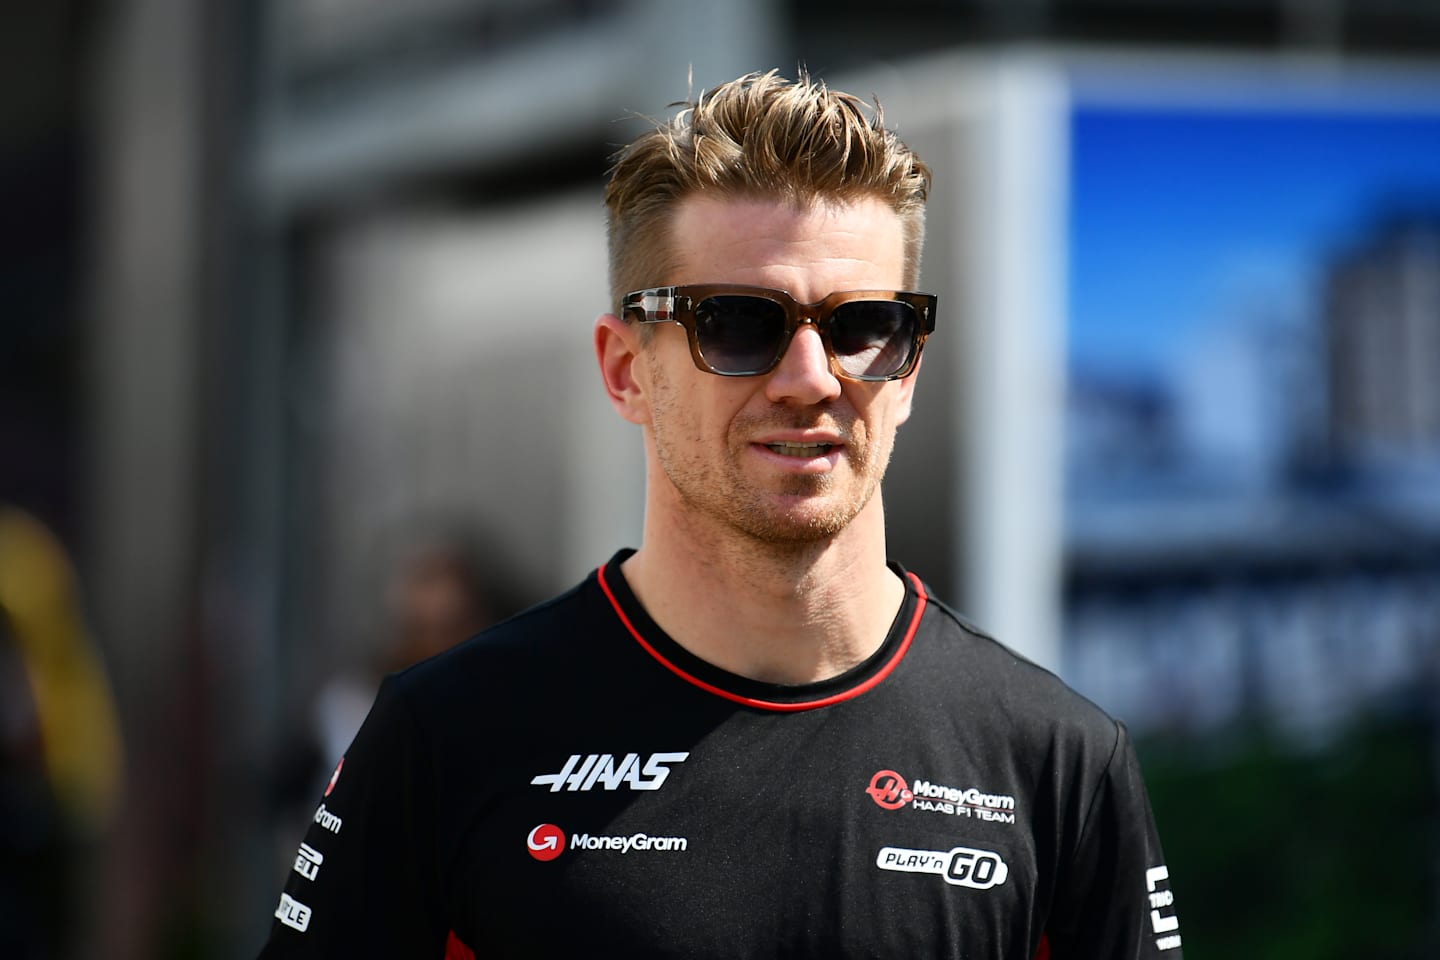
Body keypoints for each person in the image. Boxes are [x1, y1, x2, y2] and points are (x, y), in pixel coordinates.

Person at [259, 69, 1183, 959]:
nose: (812, 379)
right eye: (739, 323)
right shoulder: (447, 737)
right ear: (627, 371)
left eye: (865, 326)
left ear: (909, 369)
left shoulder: (1059, 762)